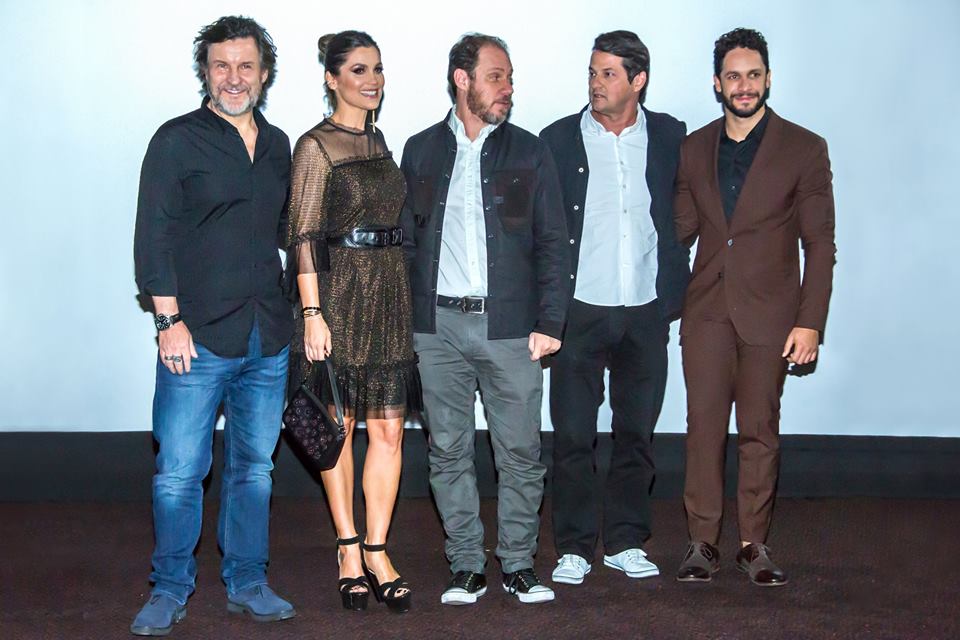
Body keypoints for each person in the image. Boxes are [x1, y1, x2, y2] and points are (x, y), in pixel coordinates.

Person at [131, 16, 296, 636]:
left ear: (264, 73)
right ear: (206, 71)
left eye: (246, 65)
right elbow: (153, 237)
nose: (234, 77)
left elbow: (287, 234)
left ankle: (247, 582)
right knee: (179, 473)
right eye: (222, 65)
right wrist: (168, 320)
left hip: (267, 338)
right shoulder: (176, 140)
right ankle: (169, 588)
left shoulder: (278, 145)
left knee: (255, 470)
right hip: (195, 338)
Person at [399, 33, 569, 605]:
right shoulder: (420, 150)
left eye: (510, 78)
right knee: (447, 451)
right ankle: (466, 565)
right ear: (462, 79)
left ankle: (518, 564)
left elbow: (553, 242)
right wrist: (409, 325)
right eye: (496, 76)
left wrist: (550, 322)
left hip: (512, 328)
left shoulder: (530, 151)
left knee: (520, 453)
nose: (508, 88)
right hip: (437, 330)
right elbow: (407, 245)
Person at [673, 28, 836, 587]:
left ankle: (752, 545)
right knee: (702, 428)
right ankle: (701, 542)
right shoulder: (693, 148)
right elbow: (678, 228)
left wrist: (810, 321)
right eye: (733, 76)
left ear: (768, 79)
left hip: (771, 312)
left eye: (753, 75)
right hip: (707, 310)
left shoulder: (804, 147)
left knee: (759, 430)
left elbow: (819, 243)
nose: (744, 85)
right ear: (716, 83)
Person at [539, 30, 688, 586]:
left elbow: (683, 212)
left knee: (636, 433)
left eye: (608, 74)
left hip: (645, 308)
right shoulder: (557, 140)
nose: (595, 84)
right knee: (573, 436)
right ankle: (574, 546)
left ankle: (626, 540)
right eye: (592, 72)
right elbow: (542, 229)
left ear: (637, 80)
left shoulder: (671, 136)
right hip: (579, 310)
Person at [285, 30, 420, 614]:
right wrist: (313, 314)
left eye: (378, 69)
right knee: (337, 427)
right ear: (331, 78)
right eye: (359, 70)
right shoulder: (314, 147)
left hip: (387, 295)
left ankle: (377, 550)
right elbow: (303, 236)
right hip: (337, 296)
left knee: (389, 432)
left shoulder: (380, 141)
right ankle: (347, 548)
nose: (372, 80)